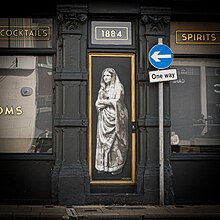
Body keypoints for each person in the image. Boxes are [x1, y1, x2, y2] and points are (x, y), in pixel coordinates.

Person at [95, 67, 128, 175]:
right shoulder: (102, 89)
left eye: (108, 75)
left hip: (116, 117)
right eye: (104, 75)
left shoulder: (119, 87)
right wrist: (99, 103)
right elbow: (97, 103)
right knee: (102, 142)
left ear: (113, 76)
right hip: (104, 118)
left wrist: (103, 102)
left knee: (115, 143)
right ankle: (103, 166)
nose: (105, 78)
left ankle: (115, 167)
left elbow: (118, 101)